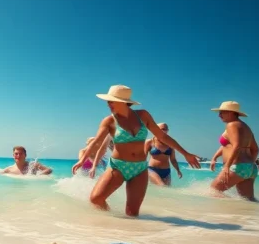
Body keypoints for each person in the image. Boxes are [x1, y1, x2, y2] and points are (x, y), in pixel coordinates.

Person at [72, 85, 200, 216]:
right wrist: (82, 160)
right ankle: (111, 223)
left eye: (111, 101)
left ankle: (129, 234)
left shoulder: (143, 116)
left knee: (132, 213)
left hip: (139, 169)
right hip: (118, 166)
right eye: (108, 101)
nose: (108, 104)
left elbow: (162, 136)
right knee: (96, 199)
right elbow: (97, 142)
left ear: (123, 102)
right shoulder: (109, 121)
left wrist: (186, 154)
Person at [209, 101, 259, 200]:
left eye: (221, 112)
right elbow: (255, 149)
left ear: (230, 112)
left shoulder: (232, 125)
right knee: (248, 201)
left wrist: (227, 166)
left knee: (213, 191)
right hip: (250, 168)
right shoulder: (245, 127)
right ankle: (243, 215)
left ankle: (227, 212)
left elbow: (237, 146)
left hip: (237, 167)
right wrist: (247, 166)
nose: (219, 115)